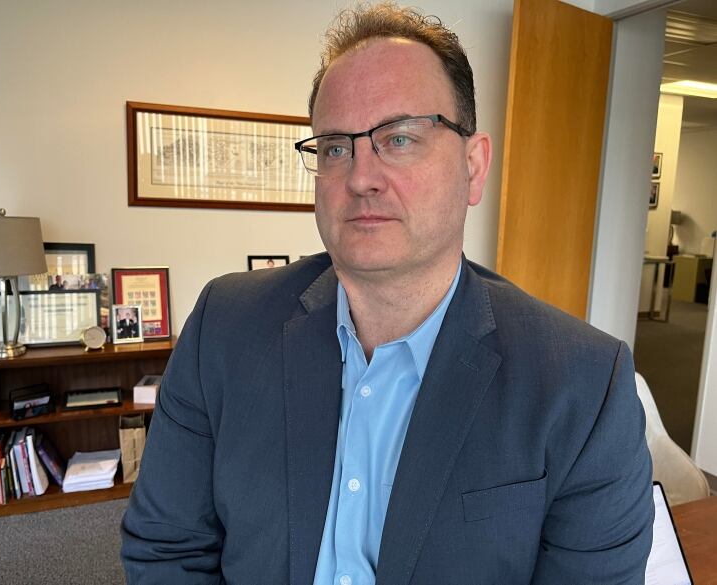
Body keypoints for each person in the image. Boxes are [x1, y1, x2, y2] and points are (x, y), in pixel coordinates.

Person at [121, 4, 653, 584]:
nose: (360, 176)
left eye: (398, 138)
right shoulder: (224, 326)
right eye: (334, 147)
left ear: (474, 168)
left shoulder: (583, 382)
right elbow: (165, 551)